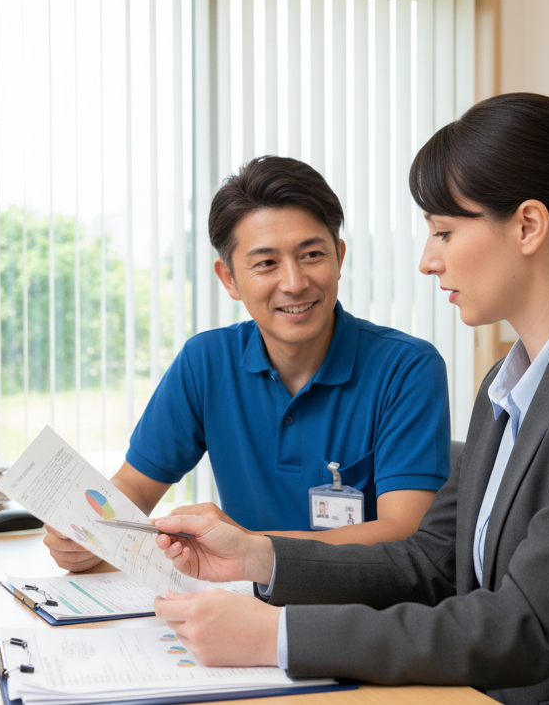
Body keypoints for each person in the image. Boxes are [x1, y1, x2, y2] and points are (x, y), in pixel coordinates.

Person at [148, 93, 549, 705]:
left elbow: (523, 627)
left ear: (528, 226)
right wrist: (259, 558)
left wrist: (279, 636)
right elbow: (430, 559)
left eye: (444, 231)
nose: (428, 260)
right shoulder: (509, 380)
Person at [44, 156, 452, 572]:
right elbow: (133, 485)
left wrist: (247, 546)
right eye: (266, 263)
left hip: (355, 614)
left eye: (312, 254)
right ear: (229, 279)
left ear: (339, 256)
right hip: (239, 601)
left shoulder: (407, 368)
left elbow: (404, 532)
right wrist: (88, 534)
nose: (294, 283)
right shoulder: (205, 362)